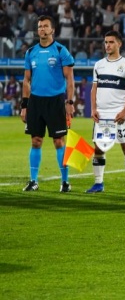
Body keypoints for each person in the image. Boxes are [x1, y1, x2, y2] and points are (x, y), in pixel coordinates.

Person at [21, 15, 76, 192]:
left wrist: (69, 101)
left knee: (58, 141)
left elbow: (70, 79)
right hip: (36, 101)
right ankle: (33, 181)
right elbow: (26, 80)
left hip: (56, 101)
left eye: (45, 26)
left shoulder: (61, 51)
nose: (42, 29)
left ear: (52, 30)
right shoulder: (31, 52)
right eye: (39, 27)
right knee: (35, 141)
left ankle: (65, 182)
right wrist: (24, 106)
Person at [86, 31, 125, 194]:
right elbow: (94, 88)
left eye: (111, 42)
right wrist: (93, 108)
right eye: (106, 42)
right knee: (98, 149)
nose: (107, 45)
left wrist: (124, 111)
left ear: (119, 44)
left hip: (118, 115)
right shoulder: (98, 65)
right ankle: (98, 183)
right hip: (101, 115)